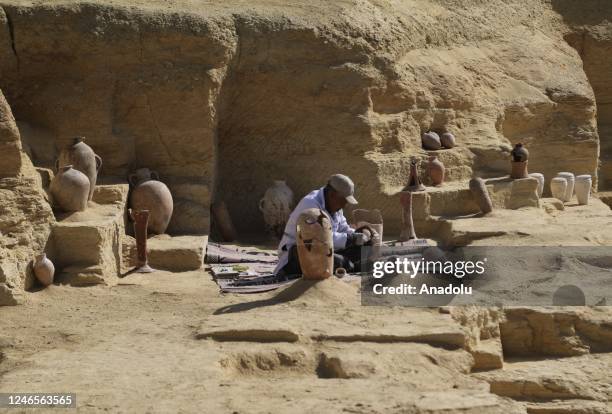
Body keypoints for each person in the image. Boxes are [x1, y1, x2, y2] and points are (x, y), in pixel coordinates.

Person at [273, 174, 373, 278]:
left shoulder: (336, 206)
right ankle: (351, 266)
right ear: (332, 195)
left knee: (365, 246)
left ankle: (351, 265)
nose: (344, 205)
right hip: (298, 252)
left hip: (325, 249)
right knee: (338, 261)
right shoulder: (310, 205)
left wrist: (362, 235)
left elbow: (343, 228)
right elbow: (320, 238)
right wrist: (353, 238)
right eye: (343, 201)